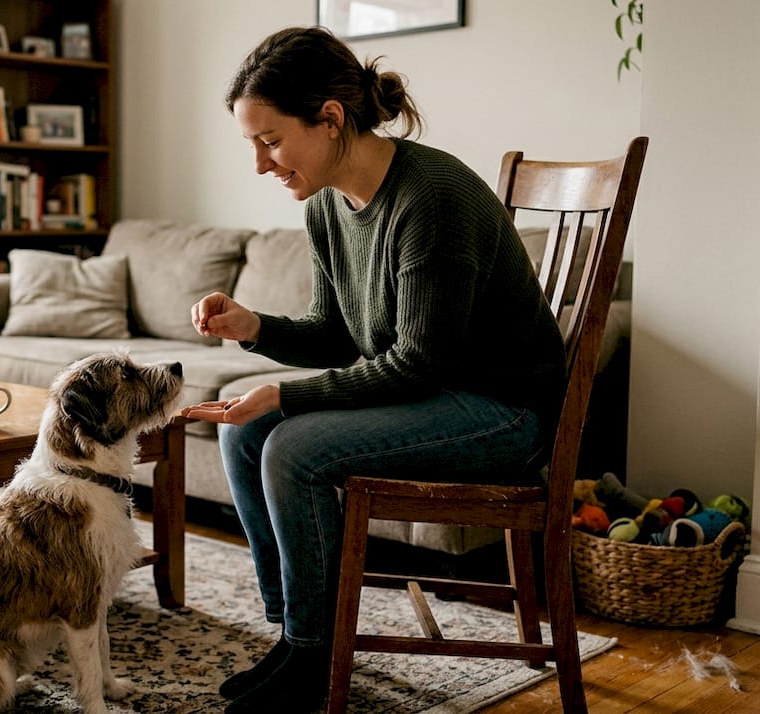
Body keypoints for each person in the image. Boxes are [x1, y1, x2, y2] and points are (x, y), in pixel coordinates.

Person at [180, 26, 567, 714]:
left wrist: (285, 397)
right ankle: (299, 637)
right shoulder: (329, 202)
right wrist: (252, 327)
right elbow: (337, 334)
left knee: (289, 446)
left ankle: (309, 656)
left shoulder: (433, 199)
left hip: (504, 414)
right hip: (437, 395)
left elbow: (416, 364)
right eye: (253, 146)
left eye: (270, 141)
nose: (262, 165)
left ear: (330, 118)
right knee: (244, 430)